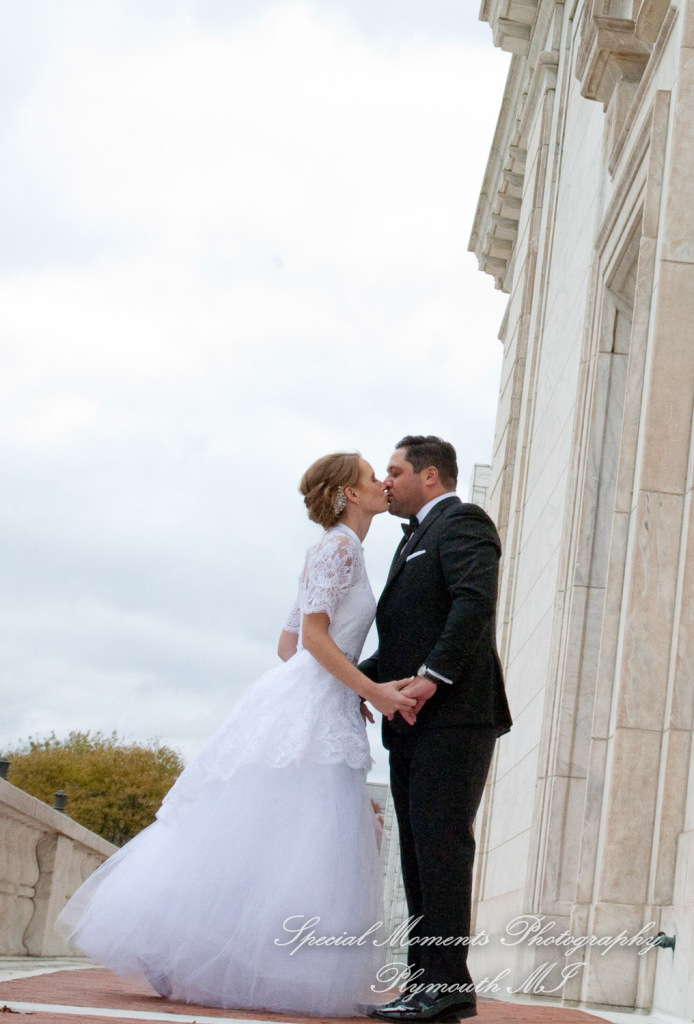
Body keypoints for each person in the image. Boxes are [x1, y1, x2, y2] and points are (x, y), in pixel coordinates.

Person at [56, 452, 417, 1016]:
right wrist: (368, 690)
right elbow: (316, 641)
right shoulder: (341, 548)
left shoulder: (336, 551)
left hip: (308, 700)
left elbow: (287, 645)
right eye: (372, 477)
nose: (380, 484)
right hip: (313, 705)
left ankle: (198, 947)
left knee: (272, 832)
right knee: (301, 833)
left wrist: (343, 689)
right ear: (348, 493)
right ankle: (239, 958)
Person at [359, 436, 512, 1024]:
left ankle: (448, 985)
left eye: (395, 470)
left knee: (443, 849)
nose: (387, 480)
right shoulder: (410, 542)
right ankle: (426, 984)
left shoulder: (463, 521)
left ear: (430, 476)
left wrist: (431, 676)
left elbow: (474, 603)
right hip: (410, 721)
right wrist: (351, 680)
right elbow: (401, 639)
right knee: (420, 856)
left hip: (455, 715)